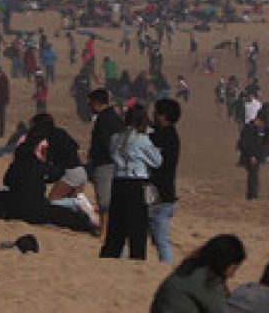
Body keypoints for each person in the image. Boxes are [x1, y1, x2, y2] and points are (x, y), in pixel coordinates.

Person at [99, 102, 162, 260]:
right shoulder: (142, 140)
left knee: (116, 225)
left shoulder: (115, 138)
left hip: (119, 181)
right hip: (135, 182)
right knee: (137, 227)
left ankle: (110, 255)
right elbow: (157, 161)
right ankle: (137, 258)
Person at [151, 233, 247, 313]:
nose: (232, 275)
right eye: (233, 268)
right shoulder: (208, 281)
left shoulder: (189, 268)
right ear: (224, 262)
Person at [149, 97, 182, 263]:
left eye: (158, 112)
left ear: (165, 116)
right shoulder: (158, 133)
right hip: (160, 196)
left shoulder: (168, 138)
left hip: (160, 196)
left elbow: (158, 164)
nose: (154, 115)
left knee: (161, 241)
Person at [87, 88, 124, 236]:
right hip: (109, 163)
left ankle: (104, 230)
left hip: (104, 163)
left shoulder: (104, 119)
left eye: (90, 102)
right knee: (105, 198)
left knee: (104, 200)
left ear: (96, 103)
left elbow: (105, 143)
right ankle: (105, 228)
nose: (89, 105)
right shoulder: (113, 117)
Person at [237, 111, 267, 200]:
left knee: (254, 175)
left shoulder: (254, 128)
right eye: (261, 122)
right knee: (253, 176)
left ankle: (253, 193)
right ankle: (252, 194)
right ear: (258, 120)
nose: (262, 125)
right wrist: (252, 156)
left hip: (255, 156)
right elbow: (247, 144)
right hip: (251, 157)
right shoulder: (249, 128)